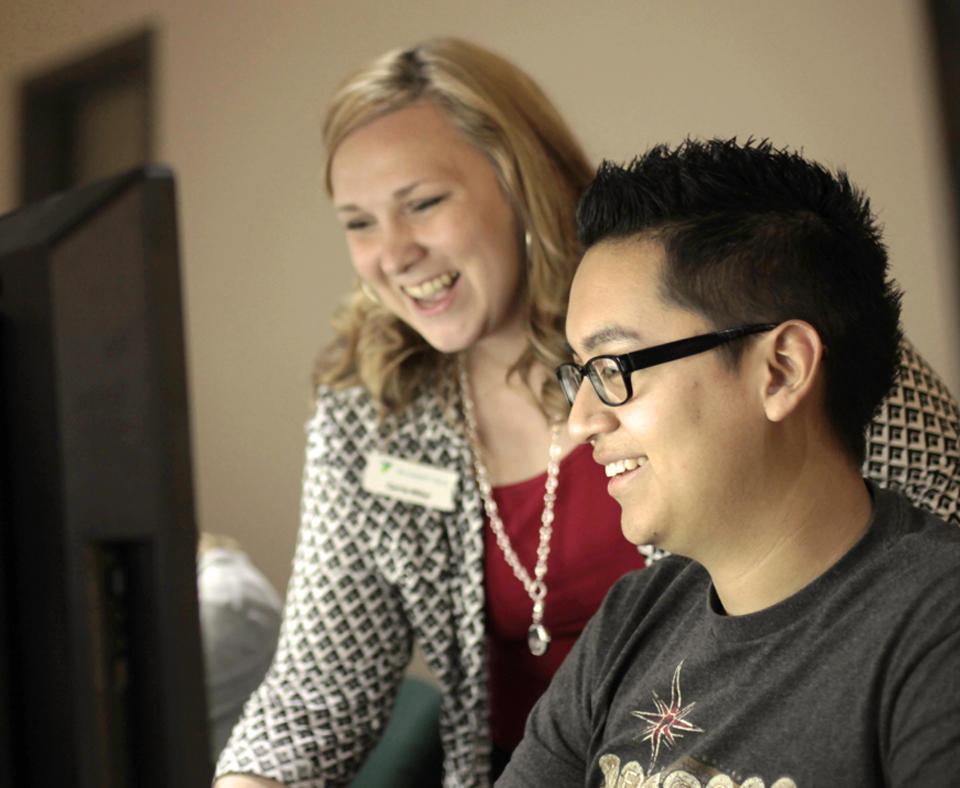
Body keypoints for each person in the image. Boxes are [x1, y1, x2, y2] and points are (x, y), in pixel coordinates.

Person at [213, 39, 960, 788]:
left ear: (517, 180)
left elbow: (926, 541)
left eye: (424, 203)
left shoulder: (731, 305)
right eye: (358, 222)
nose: (394, 253)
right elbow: (319, 686)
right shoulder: (373, 412)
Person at [497, 139, 960, 786]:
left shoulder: (935, 631)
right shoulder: (632, 622)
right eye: (581, 377)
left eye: (615, 368)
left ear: (782, 370)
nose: (581, 423)